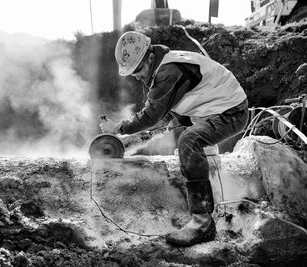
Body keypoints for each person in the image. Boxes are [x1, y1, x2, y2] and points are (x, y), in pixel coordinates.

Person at [100, 31, 248, 247]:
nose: (137, 76)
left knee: (189, 140)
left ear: (150, 57)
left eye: (138, 70)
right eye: (132, 73)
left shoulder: (169, 70)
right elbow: (165, 106)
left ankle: (202, 223)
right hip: (212, 108)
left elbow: (151, 115)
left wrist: (119, 127)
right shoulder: (161, 66)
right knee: (183, 132)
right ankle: (208, 195)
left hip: (231, 112)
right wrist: (165, 125)